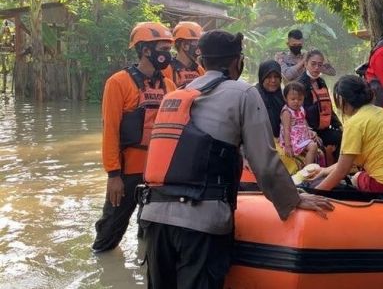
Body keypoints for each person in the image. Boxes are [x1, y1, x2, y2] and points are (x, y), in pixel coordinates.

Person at [140, 30, 334, 289]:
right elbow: (264, 162)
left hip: (153, 218)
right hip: (201, 221)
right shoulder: (243, 93)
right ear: (237, 62)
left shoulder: (176, 95)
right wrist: (293, 199)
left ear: (202, 61)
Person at [92, 22, 176, 253]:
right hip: (127, 172)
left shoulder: (169, 85)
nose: (167, 55)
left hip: (158, 172)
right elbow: (110, 130)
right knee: (110, 231)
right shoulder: (118, 83)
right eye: (163, 49)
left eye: (169, 50)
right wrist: (113, 174)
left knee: (149, 231)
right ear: (146, 50)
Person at [313, 75, 383, 201]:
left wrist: (314, 193)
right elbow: (345, 163)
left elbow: (342, 170)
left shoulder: (354, 123)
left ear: (342, 100)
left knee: (357, 177)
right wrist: (324, 171)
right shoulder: (380, 112)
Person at [255, 60, 304, 174]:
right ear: (262, 77)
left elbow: (295, 117)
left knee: (315, 150)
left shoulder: (283, 96)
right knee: (290, 160)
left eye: (276, 76)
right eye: (268, 77)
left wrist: (308, 131)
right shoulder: (254, 96)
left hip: (285, 137)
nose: (273, 81)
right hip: (262, 141)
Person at [297, 50, 342, 164]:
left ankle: (339, 172)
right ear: (306, 63)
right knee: (322, 146)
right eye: (313, 64)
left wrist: (338, 124)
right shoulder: (300, 85)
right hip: (309, 132)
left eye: (320, 65)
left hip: (324, 129)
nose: (317, 68)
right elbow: (297, 114)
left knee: (343, 136)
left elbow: (328, 107)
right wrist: (309, 132)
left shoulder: (321, 81)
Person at [279, 81, 322, 165]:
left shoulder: (301, 108)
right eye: (293, 99)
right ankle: (307, 170)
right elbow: (286, 129)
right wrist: (288, 146)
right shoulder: (287, 112)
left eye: (300, 99)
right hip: (292, 139)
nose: (296, 102)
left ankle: (314, 166)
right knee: (313, 147)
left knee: (319, 145)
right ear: (285, 98)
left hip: (301, 135)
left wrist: (309, 130)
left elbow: (303, 120)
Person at [162, 21, 205, 87]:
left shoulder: (200, 70)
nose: (200, 47)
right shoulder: (167, 69)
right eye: (197, 43)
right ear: (184, 45)